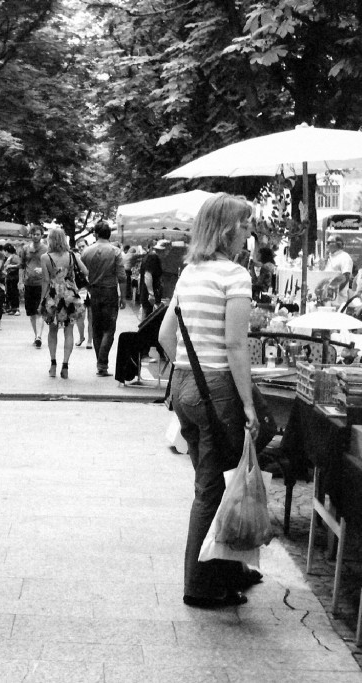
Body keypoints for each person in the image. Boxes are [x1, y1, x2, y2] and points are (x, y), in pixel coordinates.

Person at [158, 193, 261, 609]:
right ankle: (199, 583)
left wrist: (187, 367)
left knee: (211, 481)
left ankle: (227, 569)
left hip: (186, 385)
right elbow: (237, 345)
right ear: (228, 231)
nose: (249, 233)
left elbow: (166, 336)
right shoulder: (235, 276)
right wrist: (248, 404)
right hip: (216, 388)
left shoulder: (190, 274)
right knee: (212, 487)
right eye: (246, 226)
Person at [39, 227, 87, 379]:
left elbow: (46, 280)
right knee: (69, 331)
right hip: (70, 295)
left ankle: (53, 364)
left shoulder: (45, 257)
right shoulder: (72, 255)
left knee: (52, 331)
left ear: (51, 239)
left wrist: (42, 300)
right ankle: (65, 365)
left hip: (54, 296)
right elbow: (85, 271)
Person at [81, 221, 126, 376]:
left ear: (96, 234)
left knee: (96, 328)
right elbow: (122, 277)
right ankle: (102, 364)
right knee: (109, 329)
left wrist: (89, 287)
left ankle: (100, 363)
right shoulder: (115, 252)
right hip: (110, 292)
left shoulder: (87, 251)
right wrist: (123, 297)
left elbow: (80, 274)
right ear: (109, 234)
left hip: (94, 292)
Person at [18, 226, 48, 346]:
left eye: (37, 234)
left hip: (41, 283)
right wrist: (20, 281)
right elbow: (21, 266)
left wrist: (43, 270)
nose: (35, 236)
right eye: (33, 234)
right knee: (31, 312)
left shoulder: (46, 249)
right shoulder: (25, 249)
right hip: (28, 282)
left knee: (40, 310)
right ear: (30, 235)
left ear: (41, 235)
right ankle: (36, 335)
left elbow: (51, 265)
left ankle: (39, 336)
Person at [322, 235, 354, 306]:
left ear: (338, 244)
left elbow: (346, 277)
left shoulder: (345, 257)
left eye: (329, 242)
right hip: (325, 298)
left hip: (338, 299)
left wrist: (333, 293)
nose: (326, 244)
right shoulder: (329, 257)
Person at [139, 239, 166, 319]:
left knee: (145, 317)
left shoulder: (149, 256)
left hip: (145, 293)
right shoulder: (153, 257)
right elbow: (148, 275)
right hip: (149, 295)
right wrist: (151, 294)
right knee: (148, 318)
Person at [2, 243, 21, 315]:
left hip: (14, 277)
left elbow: (19, 265)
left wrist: (10, 266)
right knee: (10, 293)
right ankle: (12, 308)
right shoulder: (9, 257)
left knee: (14, 293)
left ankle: (16, 308)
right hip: (9, 277)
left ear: (6, 251)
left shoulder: (14, 257)